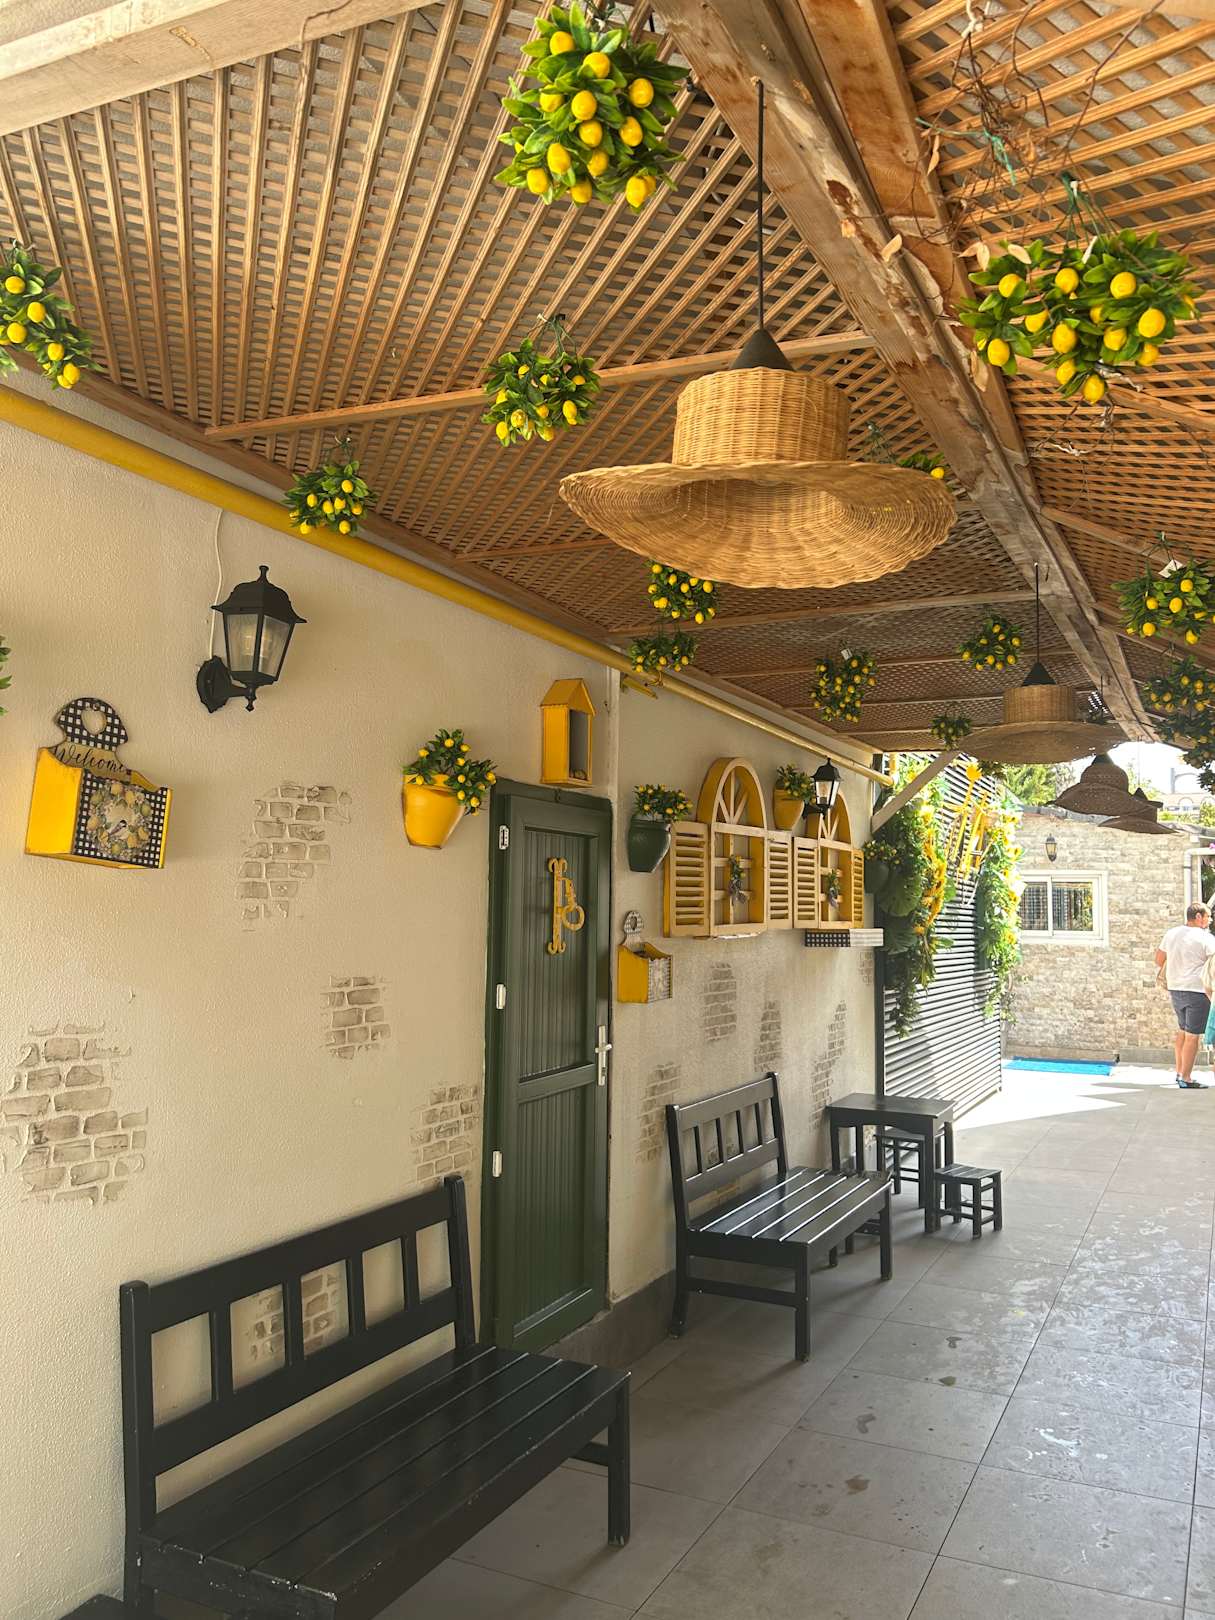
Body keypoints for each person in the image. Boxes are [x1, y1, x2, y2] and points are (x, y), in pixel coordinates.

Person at [1156, 903, 1215, 1088]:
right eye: (1208, 916)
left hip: (1175, 988)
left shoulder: (1171, 933)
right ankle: (1186, 1078)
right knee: (1192, 1036)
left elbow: (1159, 959)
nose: (1210, 920)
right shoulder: (1206, 938)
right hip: (1197, 991)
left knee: (1183, 1030)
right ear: (1198, 917)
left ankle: (1180, 1072)